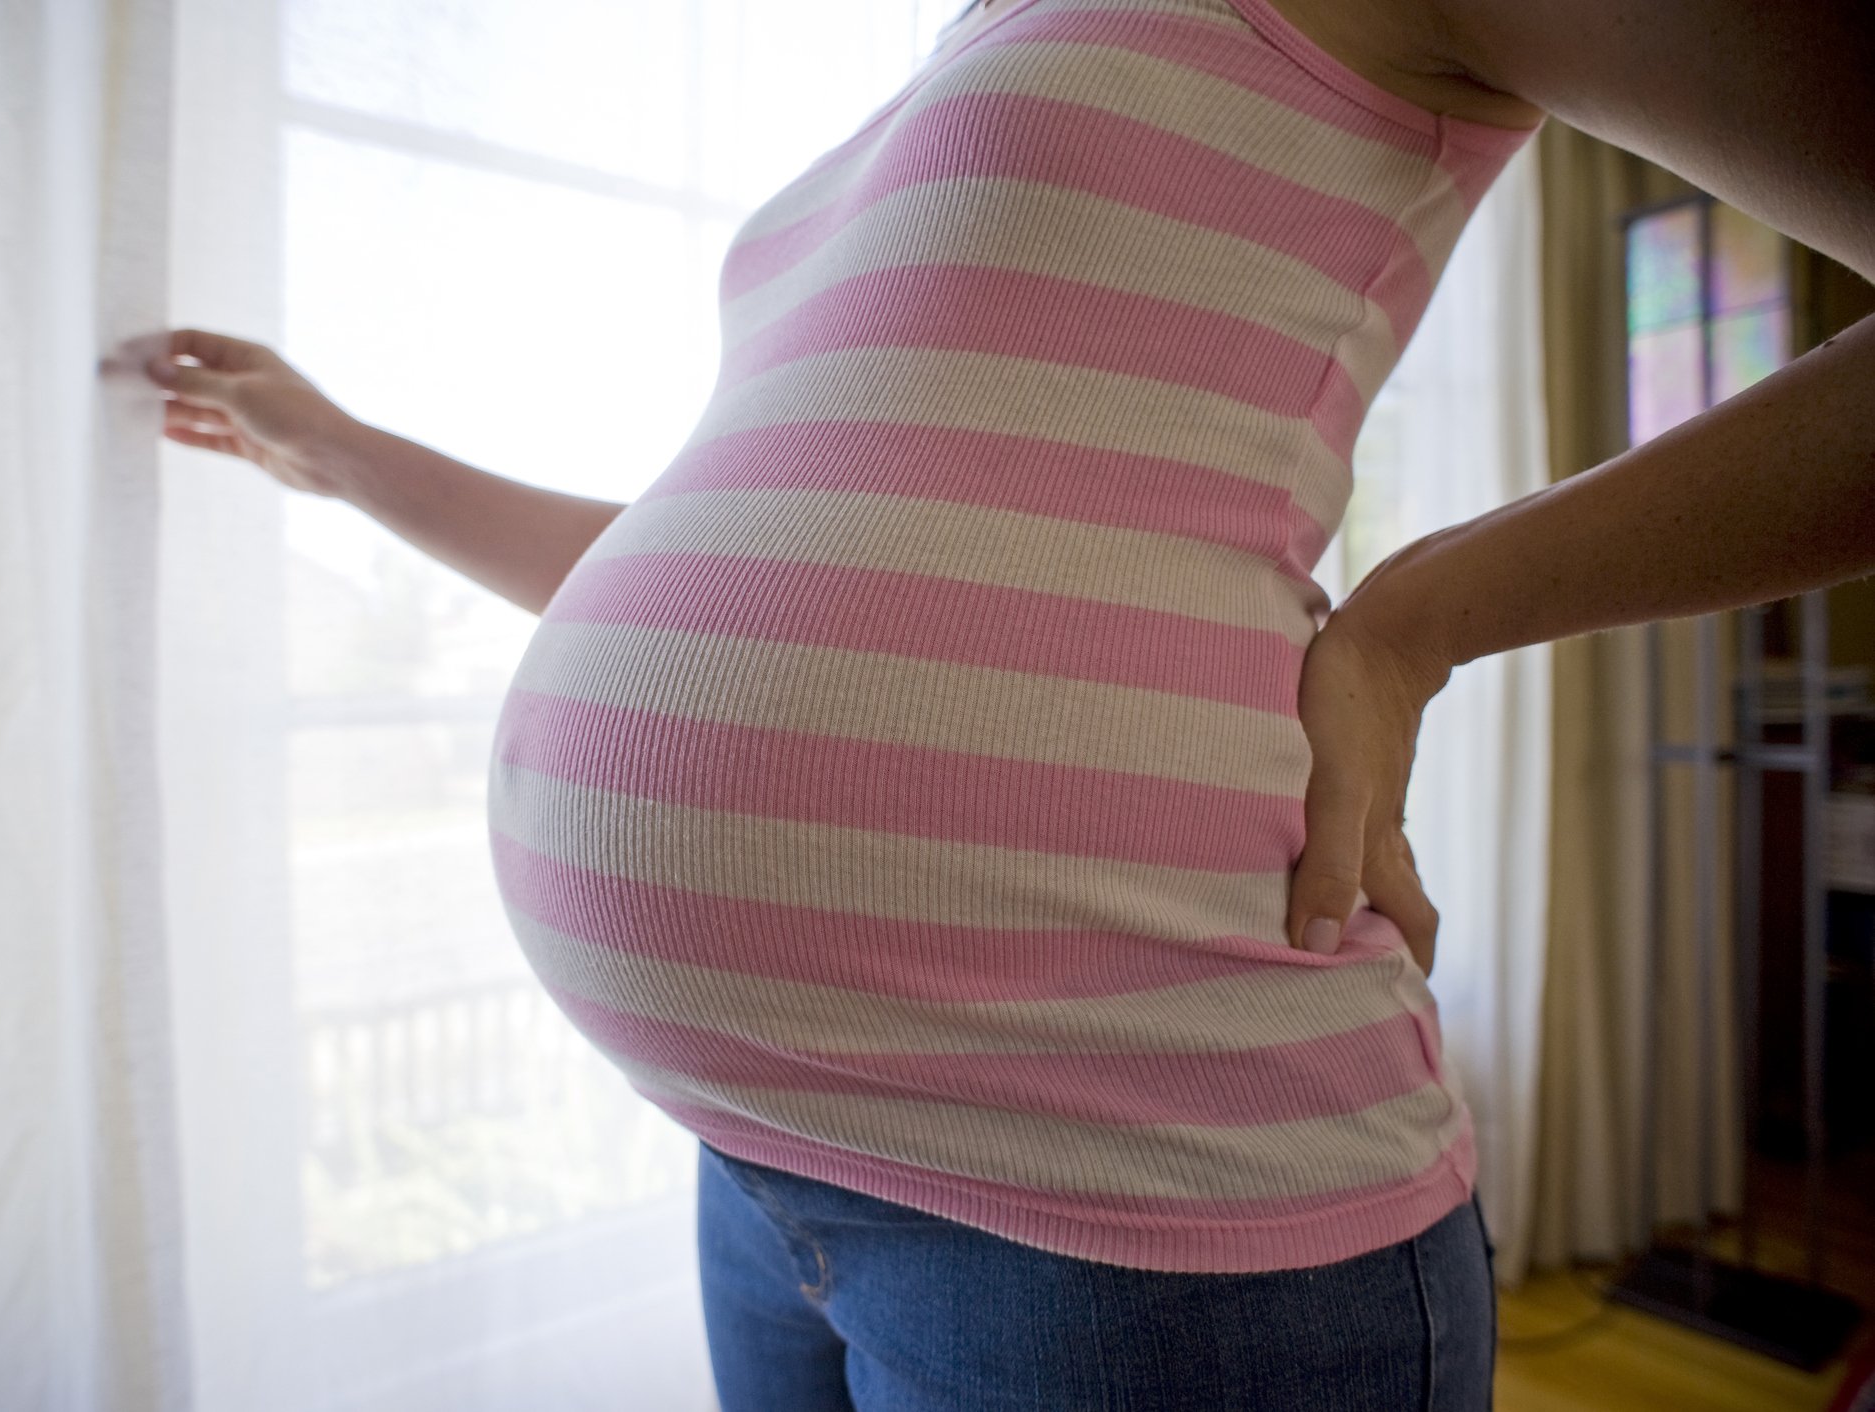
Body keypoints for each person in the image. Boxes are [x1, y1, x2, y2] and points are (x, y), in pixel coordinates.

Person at [145, 0, 1875, 1405]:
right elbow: (721, 560)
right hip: (766, 1151)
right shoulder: (962, 39)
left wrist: (1418, 615)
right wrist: (354, 460)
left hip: (1132, 1184)